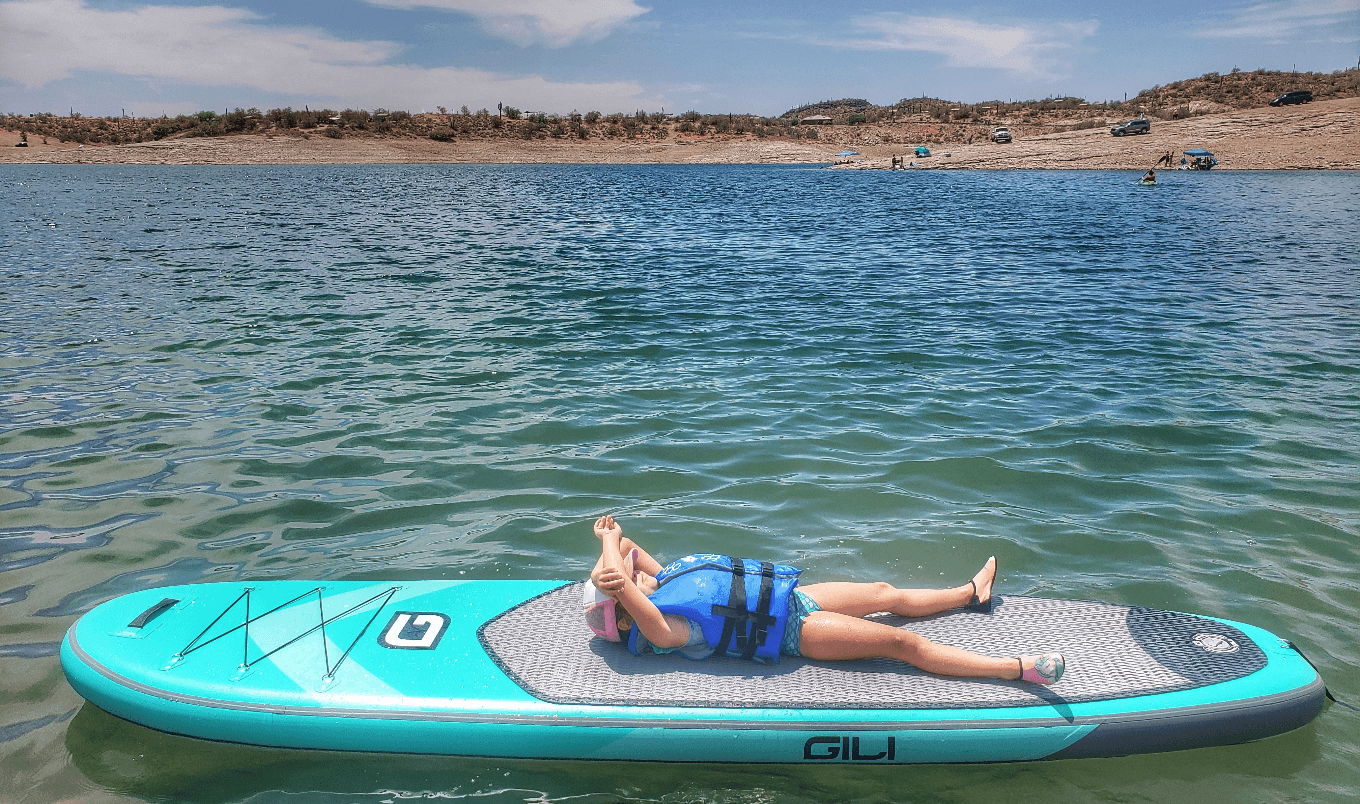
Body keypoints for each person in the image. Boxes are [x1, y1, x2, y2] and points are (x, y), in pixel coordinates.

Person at [583, 515, 1065, 684]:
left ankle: (969, 593)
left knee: (884, 593)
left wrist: (612, 542)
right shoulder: (665, 629)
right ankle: (1014, 668)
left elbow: (625, 552)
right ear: (625, 611)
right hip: (796, 632)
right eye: (624, 584)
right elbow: (615, 572)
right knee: (901, 645)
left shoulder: (664, 582)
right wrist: (611, 559)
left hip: (795, 599)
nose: (629, 573)